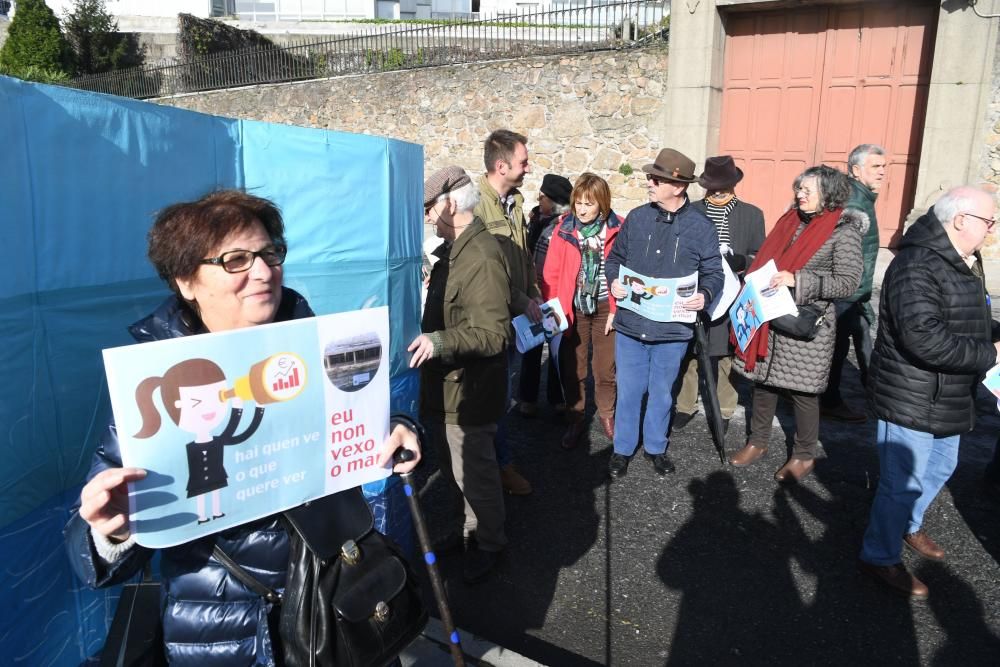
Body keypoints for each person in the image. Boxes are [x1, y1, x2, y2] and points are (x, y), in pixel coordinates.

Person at [63, 190, 422, 665]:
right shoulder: (161, 382)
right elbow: (93, 556)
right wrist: (109, 533)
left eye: (270, 254)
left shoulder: (314, 345)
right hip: (222, 629)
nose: (263, 271)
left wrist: (398, 429)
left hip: (337, 607)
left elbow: (361, 424)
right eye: (235, 260)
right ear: (186, 281)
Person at [858, 186, 1000, 598]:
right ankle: (878, 555)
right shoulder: (916, 265)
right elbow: (924, 339)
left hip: (948, 394)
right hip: (911, 395)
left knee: (940, 468)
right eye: (988, 222)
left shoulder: (963, 261)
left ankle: (907, 524)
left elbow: (964, 321)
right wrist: (988, 354)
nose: (991, 231)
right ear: (960, 220)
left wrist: (993, 335)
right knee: (900, 482)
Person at [730, 166, 865, 483]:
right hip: (771, 316)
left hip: (807, 324)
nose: (799, 195)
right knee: (763, 384)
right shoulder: (790, 221)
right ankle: (757, 441)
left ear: (828, 194)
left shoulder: (843, 232)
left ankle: (804, 455)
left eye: (807, 190)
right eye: (798, 189)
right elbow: (768, 259)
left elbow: (848, 283)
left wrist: (799, 280)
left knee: (804, 393)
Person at [409, 166, 511, 584]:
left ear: (451, 203)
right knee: (454, 472)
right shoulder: (456, 249)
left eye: (430, 208)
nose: (428, 217)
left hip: (469, 390)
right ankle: (466, 532)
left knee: (476, 475)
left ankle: (489, 542)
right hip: (446, 387)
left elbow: (492, 334)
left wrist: (439, 342)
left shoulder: (480, 254)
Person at [604, 148, 724, 478]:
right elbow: (614, 259)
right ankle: (622, 449)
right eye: (650, 177)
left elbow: (715, 272)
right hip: (631, 325)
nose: (650, 183)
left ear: (678, 185)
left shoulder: (701, 227)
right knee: (628, 392)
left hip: (672, 331)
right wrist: (614, 282)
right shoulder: (638, 218)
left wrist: (705, 295)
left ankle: (655, 447)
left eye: (656, 179)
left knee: (661, 393)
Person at [673, 156, 765, 433]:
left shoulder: (751, 214)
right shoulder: (692, 211)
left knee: (724, 354)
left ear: (734, 184)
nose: (717, 192)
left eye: (723, 186)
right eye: (712, 187)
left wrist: (743, 262)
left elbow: (760, 255)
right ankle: (684, 405)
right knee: (689, 352)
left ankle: (724, 408)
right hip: (696, 290)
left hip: (732, 294)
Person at [474, 128, 541, 496]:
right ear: (502, 166)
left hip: (517, 314)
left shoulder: (514, 203)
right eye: (523, 162)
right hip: (492, 319)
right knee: (494, 399)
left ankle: (495, 462)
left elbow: (521, 257)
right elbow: (487, 272)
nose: (528, 168)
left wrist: (534, 292)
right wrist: (521, 300)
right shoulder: (476, 207)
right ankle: (497, 467)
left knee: (504, 395)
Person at [541, 173, 624, 448]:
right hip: (572, 309)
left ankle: (607, 416)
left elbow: (626, 271)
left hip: (604, 308)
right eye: (578, 203)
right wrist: (555, 310)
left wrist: (616, 308)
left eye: (589, 203)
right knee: (573, 369)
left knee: (605, 369)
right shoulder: (564, 229)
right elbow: (551, 274)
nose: (582, 209)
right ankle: (575, 419)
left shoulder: (619, 228)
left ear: (602, 203)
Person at [821, 144, 886, 422]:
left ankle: (872, 392)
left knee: (857, 339)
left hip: (854, 290)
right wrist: (850, 289)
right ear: (857, 170)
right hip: (847, 289)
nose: (882, 172)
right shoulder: (854, 201)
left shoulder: (861, 195)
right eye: (876, 167)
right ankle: (829, 399)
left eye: (884, 167)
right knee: (836, 347)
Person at [519, 173, 573, 417]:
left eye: (542, 197)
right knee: (531, 348)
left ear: (553, 201)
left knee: (555, 350)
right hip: (535, 293)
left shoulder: (565, 225)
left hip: (554, 298)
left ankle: (556, 399)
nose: (538, 200)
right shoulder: (538, 220)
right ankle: (527, 398)